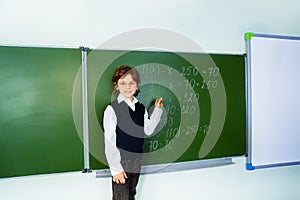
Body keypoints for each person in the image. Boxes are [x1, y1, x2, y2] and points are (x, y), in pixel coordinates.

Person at [103, 65, 163, 200]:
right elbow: (109, 140)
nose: (127, 87)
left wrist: (157, 110)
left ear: (137, 86)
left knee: (131, 195)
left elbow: (148, 130)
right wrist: (116, 169)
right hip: (121, 162)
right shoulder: (112, 109)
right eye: (123, 83)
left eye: (131, 83)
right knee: (121, 198)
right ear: (116, 86)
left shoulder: (141, 108)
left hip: (136, 160)